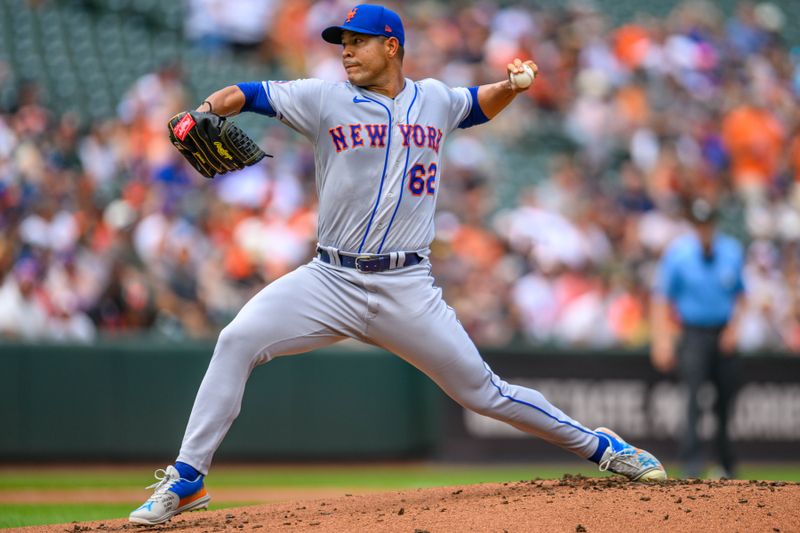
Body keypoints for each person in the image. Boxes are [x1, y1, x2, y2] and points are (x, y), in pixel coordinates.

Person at [129, 5, 666, 525]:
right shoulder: (323, 98)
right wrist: (205, 112)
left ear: (392, 47)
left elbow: (475, 104)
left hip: (406, 286)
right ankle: (187, 477)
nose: (346, 52)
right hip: (330, 278)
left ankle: (603, 447)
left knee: (484, 393)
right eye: (343, 43)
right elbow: (247, 94)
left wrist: (511, 87)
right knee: (236, 340)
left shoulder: (433, 99)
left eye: (357, 41)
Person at [650, 198, 746, 479]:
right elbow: (661, 299)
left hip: (723, 332)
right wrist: (662, 340)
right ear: (694, 225)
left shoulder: (731, 251)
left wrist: (734, 329)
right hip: (693, 333)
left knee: (726, 400)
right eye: (699, 224)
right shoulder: (679, 254)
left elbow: (742, 296)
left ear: (714, 224)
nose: (704, 229)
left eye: (708, 223)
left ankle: (726, 464)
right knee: (693, 399)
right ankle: (692, 464)